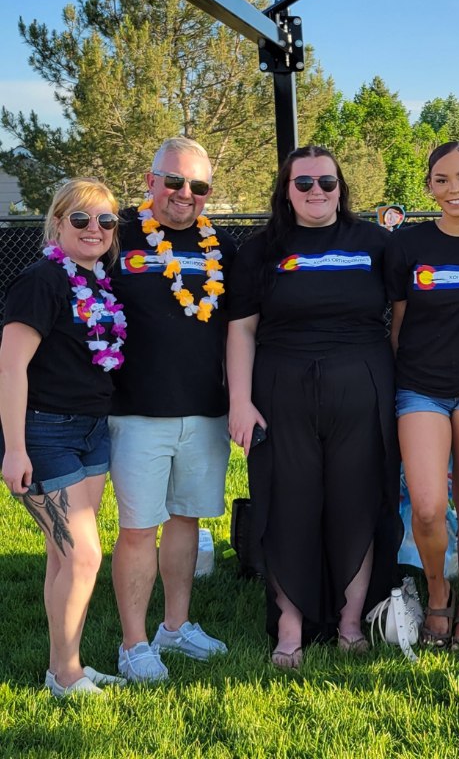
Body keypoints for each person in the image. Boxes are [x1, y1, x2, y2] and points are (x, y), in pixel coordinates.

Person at [226, 145, 398, 668]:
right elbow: (242, 328)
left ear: (342, 188)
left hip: (362, 384)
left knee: (357, 503)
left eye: (327, 182)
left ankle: (350, 621)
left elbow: (404, 316)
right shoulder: (260, 249)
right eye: (304, 184)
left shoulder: (374, 243)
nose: (316, 192)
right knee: (287, 506)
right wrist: (239, 400)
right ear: (286, 190)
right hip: (281, 388)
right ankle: (290, 625)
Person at [108, 137, 235, 682]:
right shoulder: (115, 234)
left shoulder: (222, 245)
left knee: (187, 518)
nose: (186, 194)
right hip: (136, 408)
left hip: (206, 409)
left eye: (199, 185)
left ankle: (175, 627)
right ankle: (133, 644)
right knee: (139, 526)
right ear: (150, 178)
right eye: (175, 180)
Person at [0, 179, 128, 697]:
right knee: (83, 556)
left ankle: (63, 667)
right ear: (56, 223)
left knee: (62, 556)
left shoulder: (98, 280)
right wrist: (13, 448)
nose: (94, 229)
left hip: (92, 430)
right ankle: (67, 674)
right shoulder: (42, 280)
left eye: (105, 221)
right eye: (81, 219)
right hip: (44, 430)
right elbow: (10, 366)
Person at [387, 142, 459, 650]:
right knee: (430, 507)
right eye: (441, 180)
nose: (453, 189)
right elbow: (395, 323)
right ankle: (438, 591)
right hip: (419, 388)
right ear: (429, 187)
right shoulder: (406, 245)